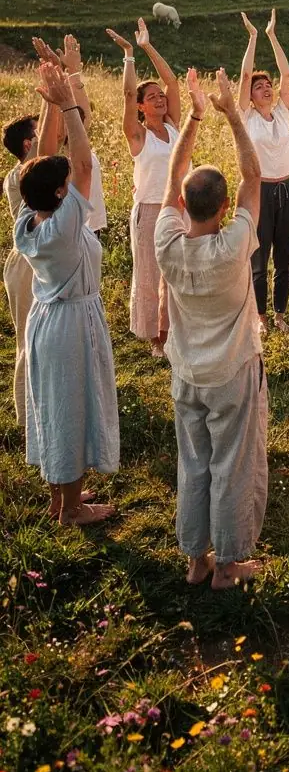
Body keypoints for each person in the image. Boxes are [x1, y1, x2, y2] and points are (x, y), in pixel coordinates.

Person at [154, 67, 267, 589]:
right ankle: (226, 565)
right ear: (224, 209)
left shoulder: (167, 243)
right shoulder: (234, 245)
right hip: (231, 371)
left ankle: (195, 559)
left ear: (183, 205)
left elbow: (173, 176)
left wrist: (195, 118)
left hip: (186, 372)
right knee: (231, 464)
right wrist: (231, 114)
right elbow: (253, 177)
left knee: (193, 462)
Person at [14, 62, 118, 526]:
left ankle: (61, 496)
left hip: (45, 320)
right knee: (72, 409)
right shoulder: (65, 226)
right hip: (71, 323)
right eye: (67, 182)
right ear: (60, 192)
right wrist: (71, 107)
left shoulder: (29, 219)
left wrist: (53, 105)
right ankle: (72, 509)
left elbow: (43, 163)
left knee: (54, 407)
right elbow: (84, 163)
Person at [106, 19, 181, 355]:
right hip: (150, 209)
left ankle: (175, 328)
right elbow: (126, 93)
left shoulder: (174, 125)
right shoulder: (138, 135)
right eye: (152, 97)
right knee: (150, 274)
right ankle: (156, 338)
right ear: (140, 106)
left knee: (178, 270)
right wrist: (129, 55)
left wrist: (148, 46)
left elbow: (172, 82)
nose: (160, 98)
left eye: (160, 96)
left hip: (179, 206)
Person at [237, 9, 289, 335]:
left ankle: (279, 314)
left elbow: (286, 75)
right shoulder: (246, 117)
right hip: (260, 190)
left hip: (288, 188)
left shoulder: (282, 113)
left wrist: (273, 36)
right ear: (249, 96)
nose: (266, 88)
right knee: (260, 256)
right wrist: (253, 38)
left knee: (285, 254)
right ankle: (260, 317)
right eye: (259, 86)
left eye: (268, 85)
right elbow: (245, 75)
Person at [3, 98, 61, 424]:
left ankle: (48, 408)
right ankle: (28, 420)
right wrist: (50, 98)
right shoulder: (20, 175)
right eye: (39, 132)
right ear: (29, 144)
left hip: (42, 260)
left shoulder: (42, 172)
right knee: (29, 339)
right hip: (26, 265)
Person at [32, 35, 107, 233]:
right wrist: (53, 87)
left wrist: (72, 72)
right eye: (65, 117)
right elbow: (49, 142)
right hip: (67, 230)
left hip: (91, 229)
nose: (73, 122)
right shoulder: (53, 155)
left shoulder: (77, 144)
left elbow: (83, 114)